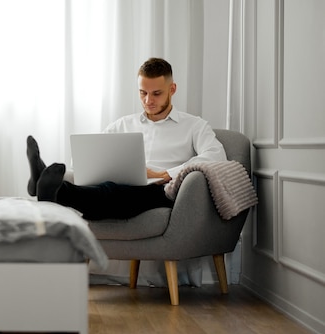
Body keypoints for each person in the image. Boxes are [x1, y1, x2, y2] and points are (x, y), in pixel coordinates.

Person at [26, 57, 227, 220]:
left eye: (157, 93)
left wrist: (165, 174)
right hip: (122, 186)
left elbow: (217, 156)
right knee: (106, 194)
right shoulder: (123, 125)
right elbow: (83, 159)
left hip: (163, 191)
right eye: (143, 93)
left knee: (112, 193)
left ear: (172, 89)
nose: (148, 101)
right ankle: (47, 186)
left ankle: (47, 188)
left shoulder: (194, 125)